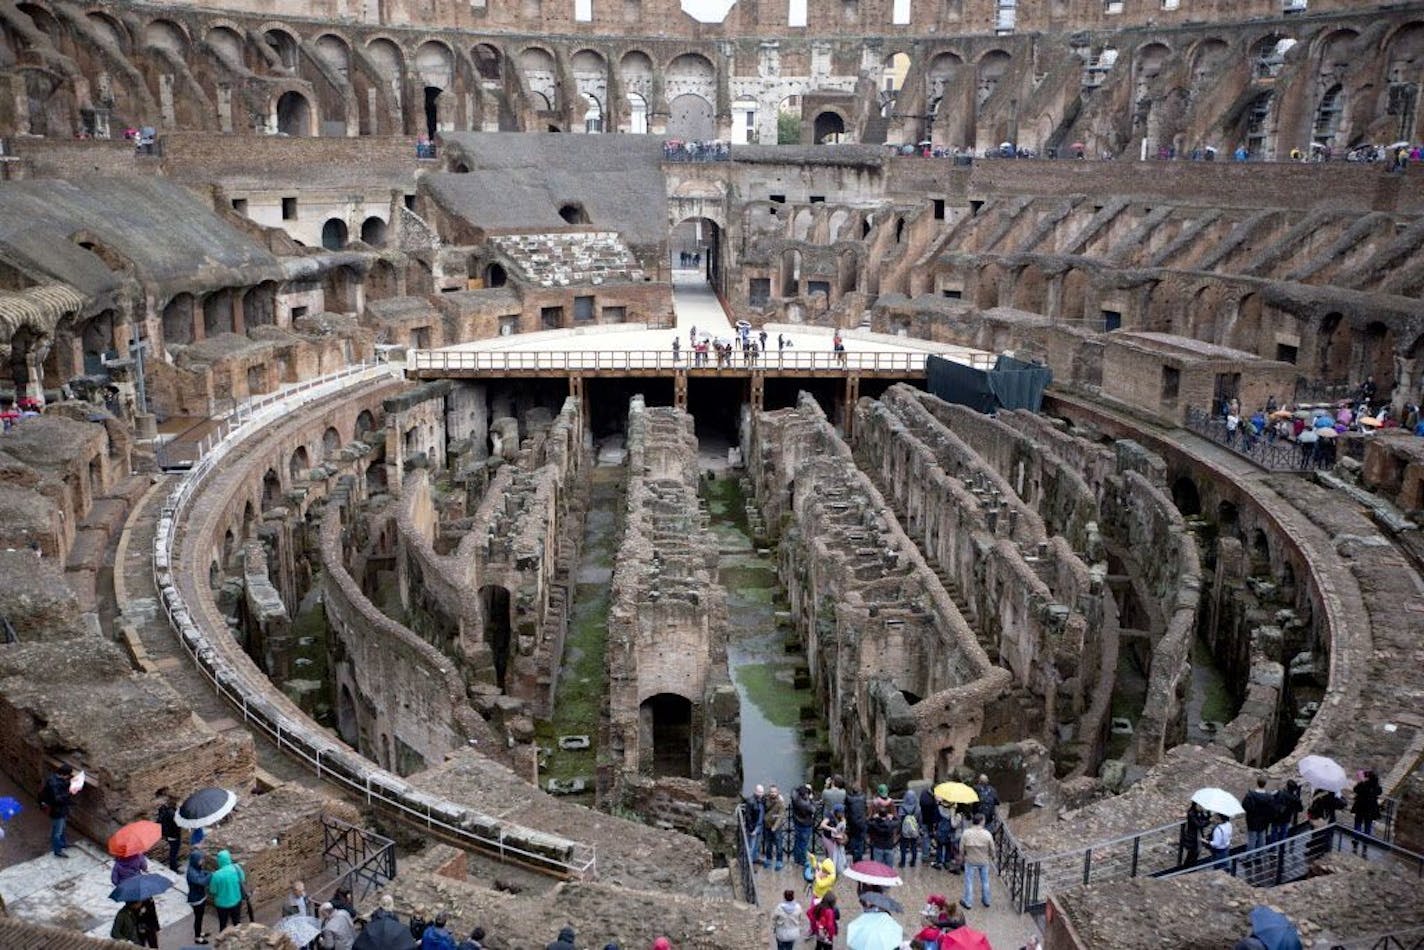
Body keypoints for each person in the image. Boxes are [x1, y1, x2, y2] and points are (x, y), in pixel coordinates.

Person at [959, 814, 995, 909]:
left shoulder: (966, 833)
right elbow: (992, 849)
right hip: (983, 860)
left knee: (969, 881)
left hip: (970, 859)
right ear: (982, 821)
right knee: (985, 881)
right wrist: (992, 857)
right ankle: (986, 900)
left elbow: (961, 848)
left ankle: (968, 902)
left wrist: (962, 856)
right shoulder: (987, 834)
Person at [39, 763, 74, 858]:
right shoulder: (53, 783)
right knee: (57, 831)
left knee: (62, 827)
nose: (68, 777)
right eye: (68, 775)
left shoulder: (56, 778)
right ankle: (57, 850)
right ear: (63, 774)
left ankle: (63, 843)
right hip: (57, 811)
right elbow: (57, 799)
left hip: (61, 809)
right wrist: (70, 793)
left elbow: (62, 785)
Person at [209, 849, 247, 932]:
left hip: (222, 905)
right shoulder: (237, 868)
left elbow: (213, 891)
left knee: (223, 924)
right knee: (237, 922)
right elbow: (243, 880)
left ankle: (222, 939)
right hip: (236, 900)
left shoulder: (216, 875)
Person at [1243, 775, 1275, 852]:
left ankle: (1249, 858)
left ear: (1257, 783)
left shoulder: (1250, 795)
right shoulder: (1269, 797)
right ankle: (1261, 855)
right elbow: (1272, 810)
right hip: (1264, 822)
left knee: (1251, 841)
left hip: (1252, 821)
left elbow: (1245, 806)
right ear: (1265, 784)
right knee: (1262, 839)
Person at [187, 850, 212, 945]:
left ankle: (199, 932)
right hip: (196, 899)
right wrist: (210, 875)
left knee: (200, 917)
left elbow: (202, 872)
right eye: (200, 860)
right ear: (195, 860)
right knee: (198, 918)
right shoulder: (191, 873)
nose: (202, 861)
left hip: (201, 896)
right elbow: (202, 882)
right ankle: (197, 937)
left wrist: (206, 872)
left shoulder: (196, 867)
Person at [1352, 769, 1383, 842]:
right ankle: (1366, 840)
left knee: (1358, 823)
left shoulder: (1364, 784)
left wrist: (1360, 782)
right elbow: (1379, 792)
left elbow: (1355, 789)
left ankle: (1356, 838)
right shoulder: (1377, 787)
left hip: (1360, 807)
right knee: (1368, 824)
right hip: (1370, 809)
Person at [155, 788, 182, 872]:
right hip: (174, 835)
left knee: (173, 851)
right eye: (178, 802)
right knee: (174, 852)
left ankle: (174, 864)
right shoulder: (172, 813)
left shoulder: (165, 809)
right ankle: (174, 868)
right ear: (174, 802)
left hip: (169, 834)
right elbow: (177, 824)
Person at [791, 784, 817, 867]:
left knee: (797, 841)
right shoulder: (805, 804)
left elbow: (794, 789)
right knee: (804, 844)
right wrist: (811, 799)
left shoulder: (795, 797)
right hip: (805, 825)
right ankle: (802, 861)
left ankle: (796, 859)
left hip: (797, 822)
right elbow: (813, 809)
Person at [762, 784, 786, 870]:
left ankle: (779, 861)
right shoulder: (766, 798)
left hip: (776, 827)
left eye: (774, 792)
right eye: (771, 792)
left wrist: (775, 827)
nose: (773, 793)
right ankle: (769, 859)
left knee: (778, 844)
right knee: (768, 844)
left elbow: (780, 816)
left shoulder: (780, 802)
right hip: (767, 825)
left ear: (778, 792)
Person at [1178, 801, 1209, 867]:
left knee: (1195, 853)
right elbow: (1199, 824)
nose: (1201, 807)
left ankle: (1190, 866)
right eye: (1199, 806)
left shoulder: (1199, 813)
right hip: (1192, 837)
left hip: (1198, 835)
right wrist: (1209, 821)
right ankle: (1187, 867)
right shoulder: (1191, 813)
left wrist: (1208, 815)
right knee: (1192, 853)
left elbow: (1203, 820)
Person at [818, 804, 847, 872]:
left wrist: (843, 824)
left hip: (834, 838)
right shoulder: (829, 816)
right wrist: (831, 828)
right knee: (832, 854)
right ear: (836, 812)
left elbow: (843, 821)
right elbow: (822, 825)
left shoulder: (841, 816)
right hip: (827, 837)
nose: (842, 814)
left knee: (834, 854)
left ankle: (831, 868)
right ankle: (831, 870)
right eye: (841, 812)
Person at [897, 791, 922, 868]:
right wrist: (919, 828)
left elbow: (899, 819)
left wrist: (899, 830)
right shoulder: (917, 807)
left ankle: (903, 862)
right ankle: (913, 862)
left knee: (903, 846)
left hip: (904, 830)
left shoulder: (902, 806)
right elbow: (920, 819)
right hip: (914, 829)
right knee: (914, 845)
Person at [845, 784, 868, 862]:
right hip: (862, 821)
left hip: (852, 822)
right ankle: (859, 856)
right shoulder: (863, 797)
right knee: (861, 840)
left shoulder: (848, 798)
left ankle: (855, 855)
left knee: (853, 839)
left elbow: (846, 809)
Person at [743, 785, 765, 866]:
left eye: (762, 792)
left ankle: (755, 859)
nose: (761, 794)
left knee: (757, 845)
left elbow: (771, 796)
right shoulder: (750, 801)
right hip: (754, 827)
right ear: (755, 791)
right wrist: (752, 829)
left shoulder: (762, 799)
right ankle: (748, 863)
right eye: (759, 792)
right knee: (751, 846)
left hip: (760, 825)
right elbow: (748, 816)